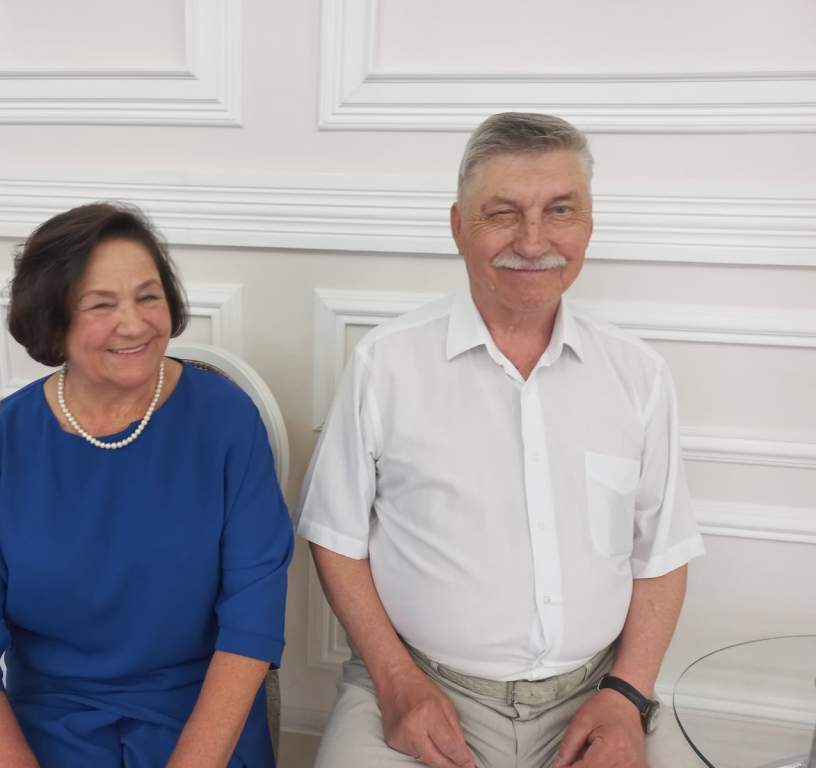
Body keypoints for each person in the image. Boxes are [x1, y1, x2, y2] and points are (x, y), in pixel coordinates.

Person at [297, 113, 706, 768]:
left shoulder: (639, 375)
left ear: (589, 224)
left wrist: (627, 696)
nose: (534, 240)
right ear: (459, 226)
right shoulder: (385, 364)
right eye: (503, 213)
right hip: (417, 685)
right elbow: (334, 537)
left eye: (560, 210)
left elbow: (661, 553)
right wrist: (397, 683)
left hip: (596, 695)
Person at [0, 202, 293, 768]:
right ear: (53, 321)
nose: (135, 324)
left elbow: (253, 619)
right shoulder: (2, 440)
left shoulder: (227, 420)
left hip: (198, 717)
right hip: (49, 720)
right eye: (101, 305)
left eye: (148, 296)